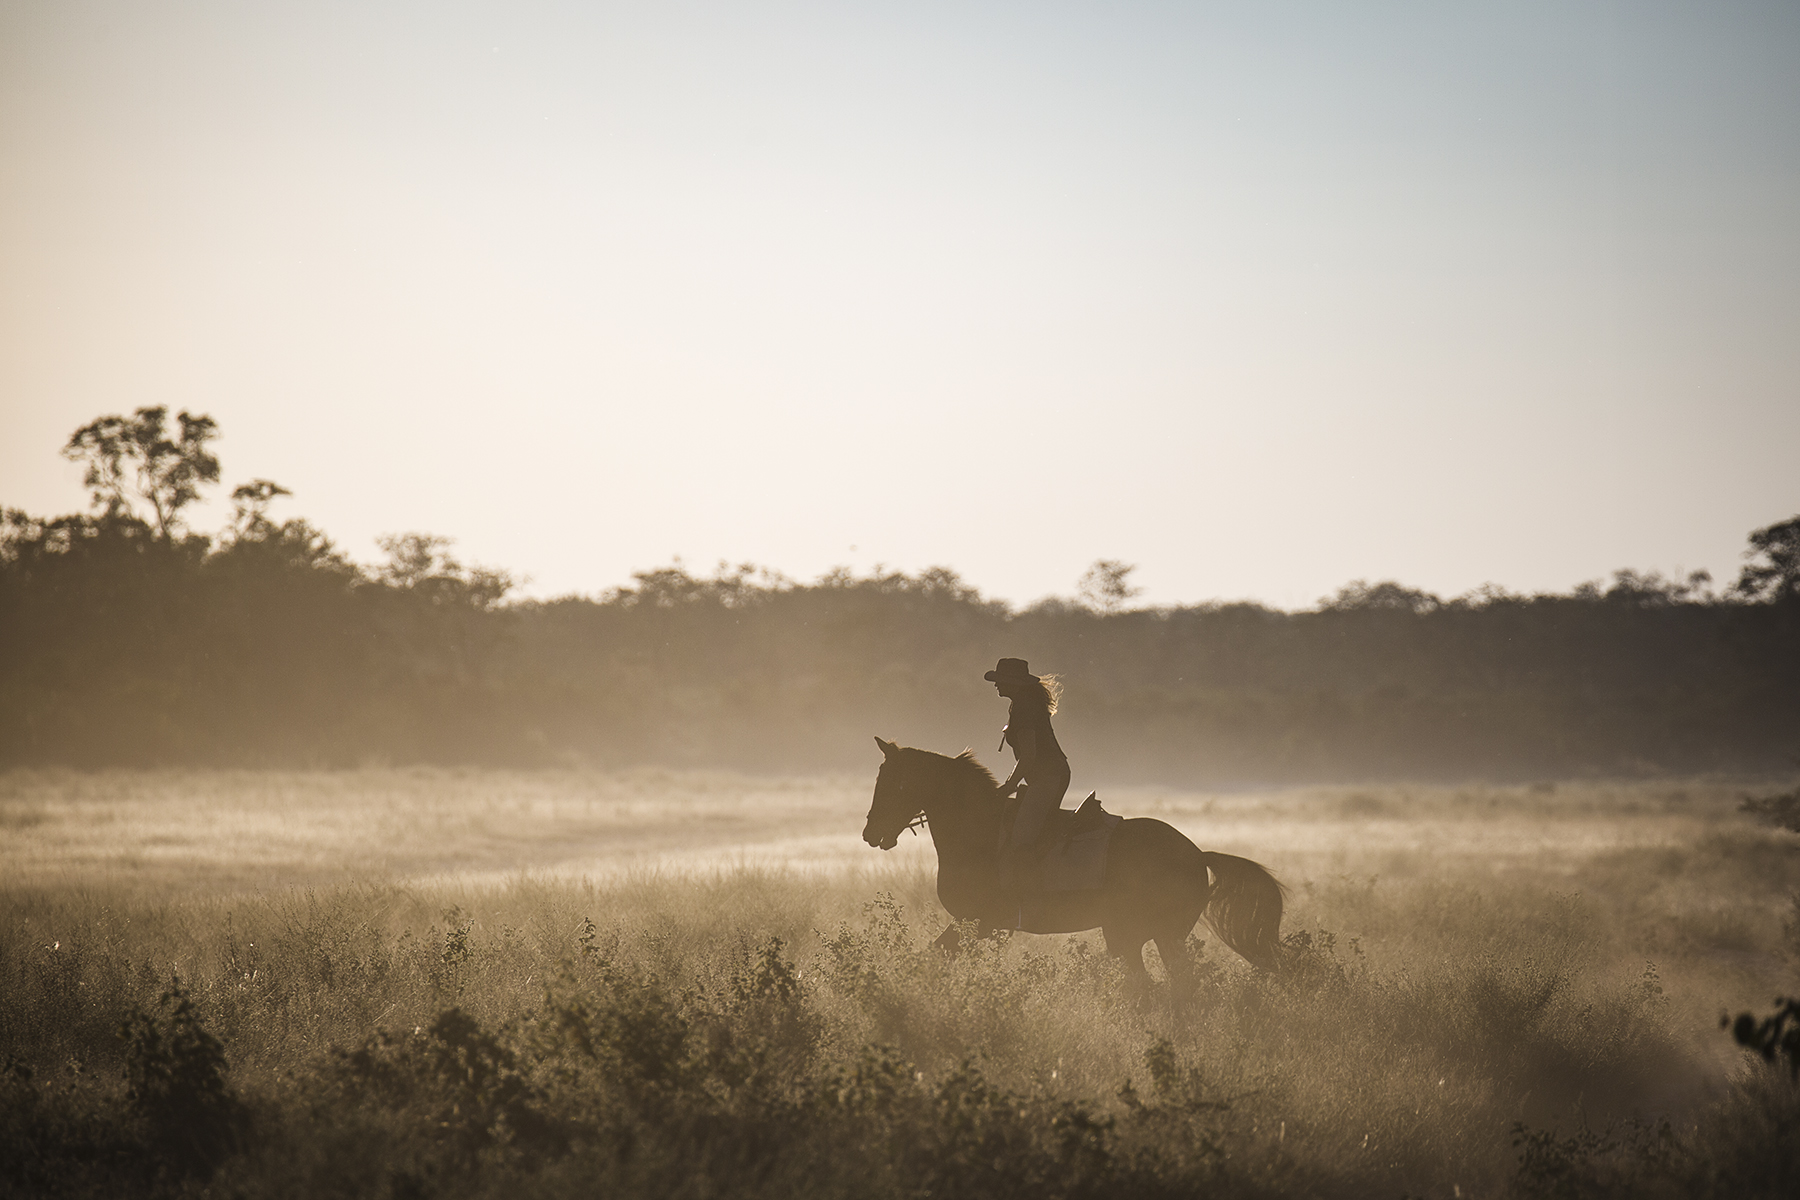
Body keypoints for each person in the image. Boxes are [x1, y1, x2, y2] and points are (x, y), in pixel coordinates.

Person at [985, 657, 1070, 896]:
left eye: (1000, 680)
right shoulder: (1022, 703)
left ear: (1014, 683)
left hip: (1048, 777)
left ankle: (1028, 893)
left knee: (1022, 836)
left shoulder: (1024, 707)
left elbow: (1029, 756)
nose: (996, 685)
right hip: (1049, 776)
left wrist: (1009, 786)